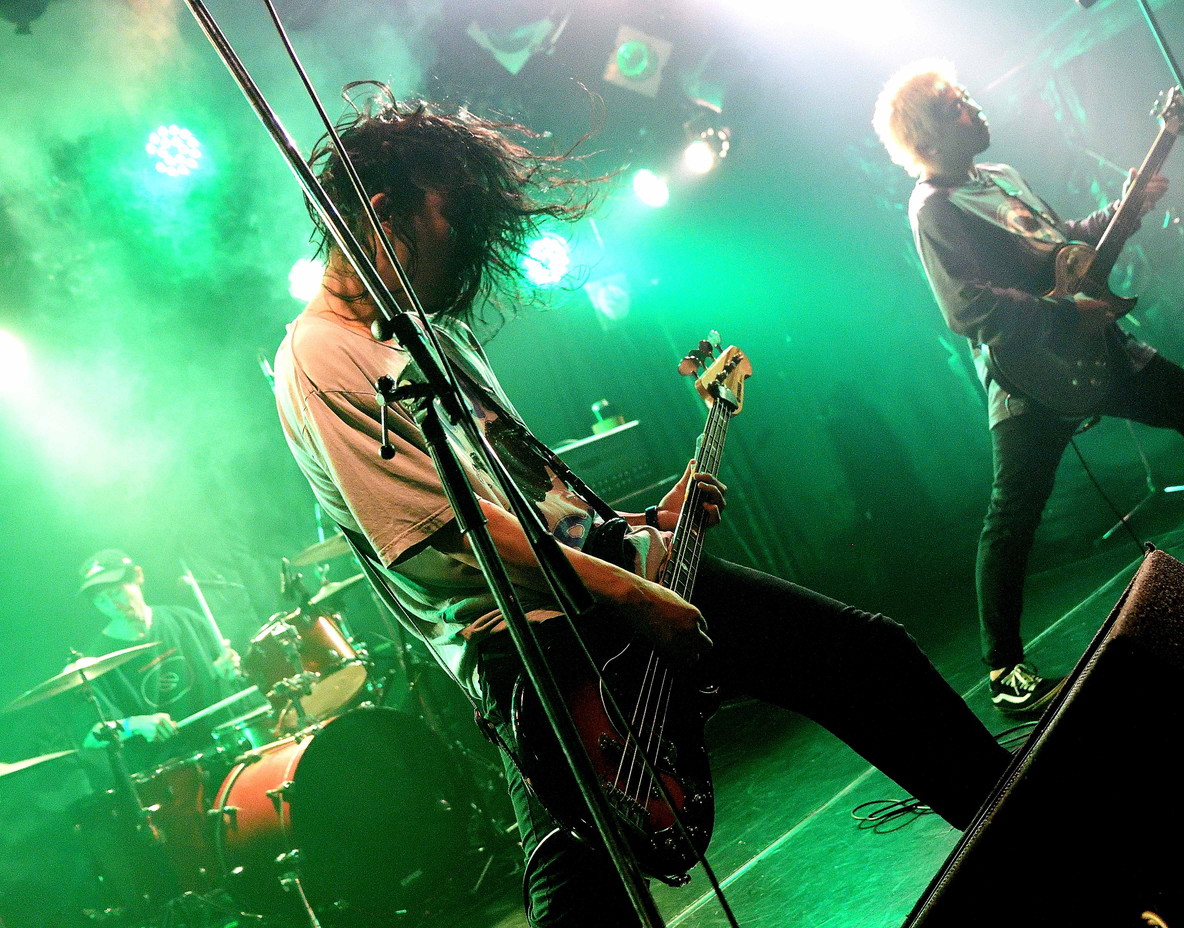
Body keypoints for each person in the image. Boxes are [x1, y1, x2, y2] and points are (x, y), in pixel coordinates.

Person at [273, 87, 1011, 927]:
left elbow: (524, 498)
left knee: (865, 661)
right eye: (453, 220)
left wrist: (640, 530)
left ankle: (1036, 836)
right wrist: (632, 591)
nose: (467, 247)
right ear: (382, 214)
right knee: (585, 884)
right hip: (538, 646)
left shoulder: (431, 335)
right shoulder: (321, 356)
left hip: (602, 589)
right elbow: (449, 535)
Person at [872, 62, 1184, 717]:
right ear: (926, 133)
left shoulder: (1001, 177)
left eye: (967, 94)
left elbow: (1068, 251)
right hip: (1029, 377)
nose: (973, 105)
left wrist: (1125, 208)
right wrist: (1063, 315)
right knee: (1012, 516)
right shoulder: (934, 208)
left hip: (1096, 347)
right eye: (954, 104)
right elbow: (967, 307)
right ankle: (1004, 671)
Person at [72, 548, 244, 770]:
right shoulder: (96, 661)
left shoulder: (185, 620)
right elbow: (91, 736)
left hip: (227, 744)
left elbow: (232, 679)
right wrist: (134, 724)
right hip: (171, 771)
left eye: (116, 592)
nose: (114, 606)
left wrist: (227, 672)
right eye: (101, 601)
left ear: (138, 576)